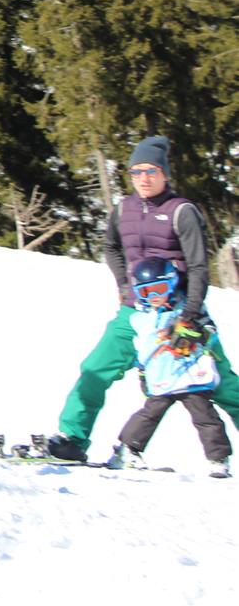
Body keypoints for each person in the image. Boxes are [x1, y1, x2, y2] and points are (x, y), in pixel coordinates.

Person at [46, 136, 239, 463]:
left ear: (164, 173)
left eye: (151, 171)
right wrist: (125, 285)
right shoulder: (124, 209)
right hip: (135, 313)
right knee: (95, 369)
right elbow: (111, 248)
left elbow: (198, 266)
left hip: (180, 313)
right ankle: (72, 438)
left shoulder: (182, 211)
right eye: (136, 172)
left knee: (219, 382)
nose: (144, 178)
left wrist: (190, 315)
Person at [106, 258, 231, 478]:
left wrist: (196, 334)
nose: (154, 297)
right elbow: (143, 351)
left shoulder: (188, 310)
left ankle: (218, 459)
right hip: (162, 377)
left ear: (172, 283)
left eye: (159, 289)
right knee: (149, 415)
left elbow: (210, 331)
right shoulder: (142, 319)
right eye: (146, 292)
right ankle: (127, 450)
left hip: (190, 376)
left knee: (205, 416)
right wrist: (143, 374)